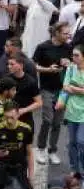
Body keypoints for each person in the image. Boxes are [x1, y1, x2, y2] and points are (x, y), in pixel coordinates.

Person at [32, 22, 72, 165]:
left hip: (63, 89)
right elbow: (33, 66)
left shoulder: (68, 47)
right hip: (46, 88)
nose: (68, 36)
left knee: (57, 122)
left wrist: (70, 63)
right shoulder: (43, 47)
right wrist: (48, 69)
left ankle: (52, 150)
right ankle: (41, 148)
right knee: (47, 119)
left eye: (69, 33)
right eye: (65, 33)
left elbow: (77, 65)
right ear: (56, 33)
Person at [59, 44, 84, 174]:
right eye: (73, 55)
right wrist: (80, 89)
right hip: (71, 111)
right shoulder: (71, 69)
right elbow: (65, 87)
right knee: (72, 143)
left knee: (81, 142)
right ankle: (74, 168)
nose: (74, 58)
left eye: (77, 55)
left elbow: (70, 88)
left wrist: (74, 88)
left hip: (83, 114)